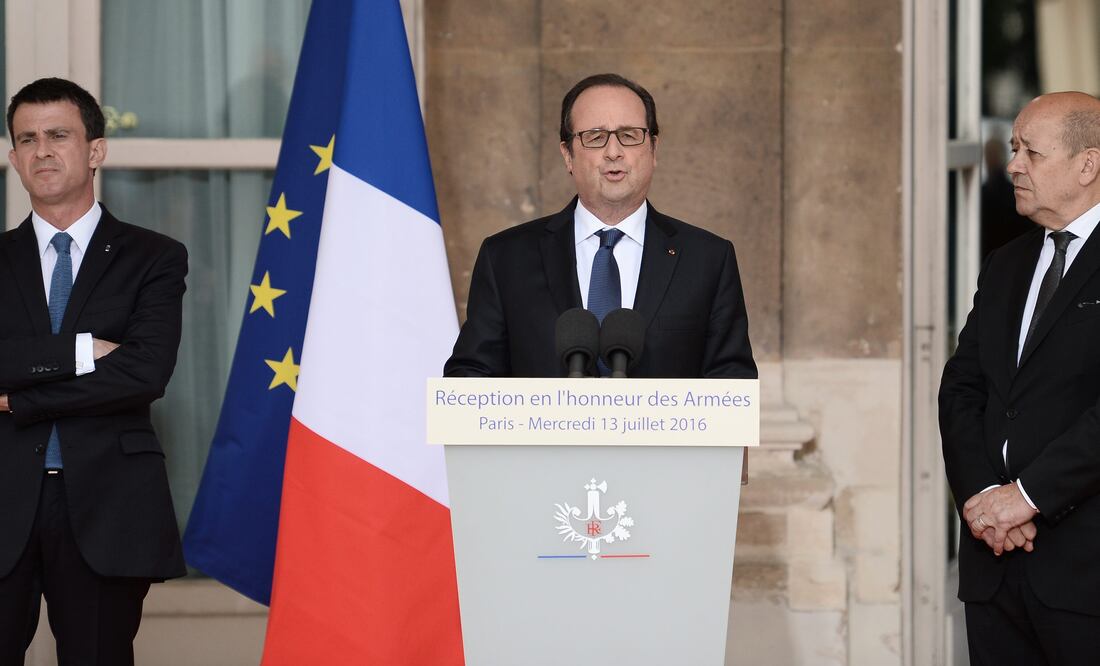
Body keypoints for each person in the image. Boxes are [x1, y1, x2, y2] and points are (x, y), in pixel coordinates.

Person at [0, 78, 187, 665]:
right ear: (14, 159)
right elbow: (111, 368)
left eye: (59, 135)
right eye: (26, 139)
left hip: (109, 505)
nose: (42, 151)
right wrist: (81, 353)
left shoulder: (154, 257)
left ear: (95, 150)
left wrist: (20, 400)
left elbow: (144, 372)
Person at [444, 73, 756, 381]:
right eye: (595, 137)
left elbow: (733, 386)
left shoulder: (708, 260)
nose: (613, 152)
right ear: (568, 155)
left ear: (653, 149)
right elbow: (470, 379)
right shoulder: (506, 258)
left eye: (629, 135)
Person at [940, 91, 1100, 664]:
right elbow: (961, 388)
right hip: (994, 567)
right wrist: (984, 498)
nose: (1012, 166)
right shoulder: (1005, 262)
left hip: (1085, 573)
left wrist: (1027, 498)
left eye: (1031, 152)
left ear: (1087, 165)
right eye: (1013, 149)